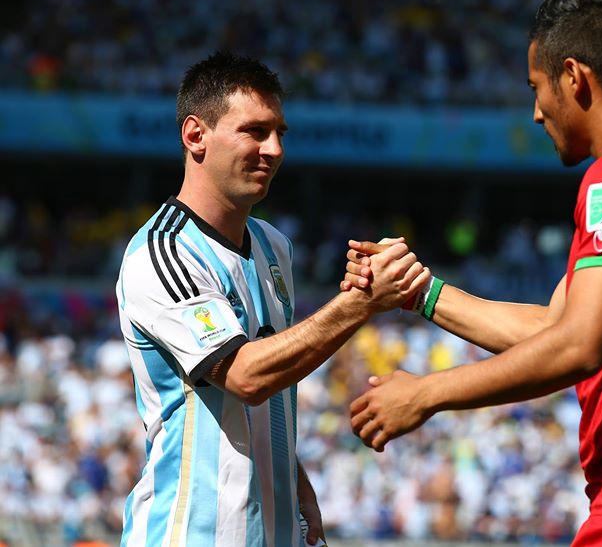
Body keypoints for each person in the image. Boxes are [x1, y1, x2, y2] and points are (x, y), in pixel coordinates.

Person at [346, 0, 602, 546]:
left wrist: (427, 393)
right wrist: (423, 292)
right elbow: (553, 329)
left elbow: (578, 345)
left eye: (536, 87)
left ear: (574, 77)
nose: (537, 113)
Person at [115, 52, 429, 547]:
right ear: (195, 135)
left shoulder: (272, 245)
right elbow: (244, 376)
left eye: (281, 132)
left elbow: (272, 387)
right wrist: (359, 304)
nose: (275, 149)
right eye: (255, 131)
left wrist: (296, 483)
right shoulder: (164, 252)